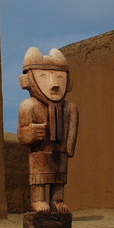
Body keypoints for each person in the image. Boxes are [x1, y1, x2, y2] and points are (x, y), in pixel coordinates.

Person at [17, 47, 78, 214]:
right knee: (38, 177)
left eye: (60, 77)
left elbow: (71, 134)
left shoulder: (70, 109)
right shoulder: (28, 105)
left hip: (60, 153)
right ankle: (37, 200)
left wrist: (69, 148)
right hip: (40, 153)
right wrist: (30, 132)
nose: (54, 84)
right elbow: (22, 135)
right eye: (43, 76)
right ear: (27, 80)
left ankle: (57, 199)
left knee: (59, 177)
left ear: (69, 82)